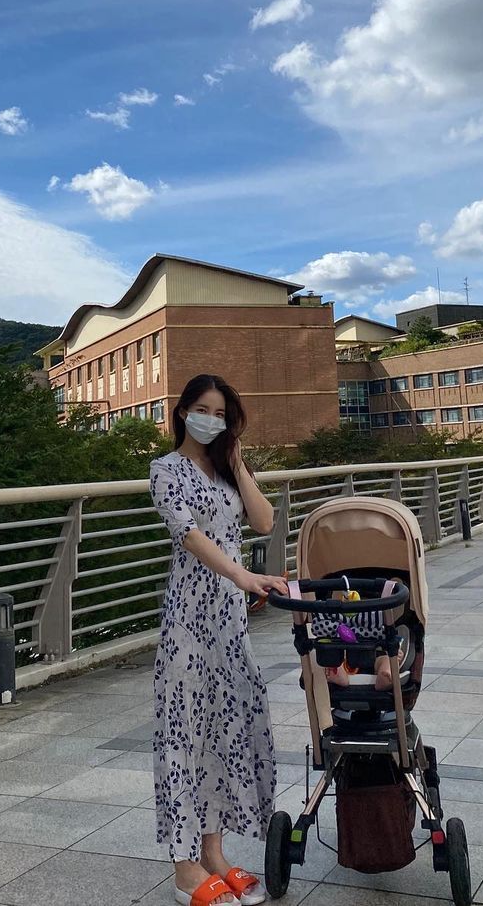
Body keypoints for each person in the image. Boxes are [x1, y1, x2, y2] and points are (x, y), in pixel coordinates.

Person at [150, 373, 286, 906]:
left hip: (230, 621)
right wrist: (243, 576)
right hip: (189, 617)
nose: (211, 420)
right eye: (203, 410)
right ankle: (184, 868)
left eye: (221, 414)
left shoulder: (227, 468)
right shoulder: (165, 470)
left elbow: (264, 521)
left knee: (225, 732)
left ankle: (214, 853)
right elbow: (189, 534)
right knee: (183, 732)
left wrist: (237, 461)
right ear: (183, 411)